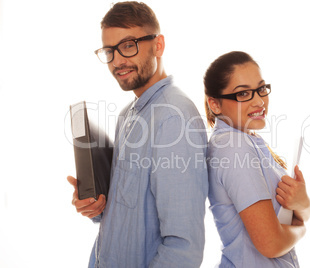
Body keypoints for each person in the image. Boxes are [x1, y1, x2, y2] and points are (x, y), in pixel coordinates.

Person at [67, 2, 208, 267]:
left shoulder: (174, 119)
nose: (118, 60)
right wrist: (96, 205)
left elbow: (183, 248)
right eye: (109, 50)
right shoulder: (127, 115)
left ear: (158, 45)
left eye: (128, 45)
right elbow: (129, 212)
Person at [204, 51, 310, 267]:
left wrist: (303, 202)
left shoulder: (248, 140)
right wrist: (301, 229)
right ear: (215, 105)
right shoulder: (233, 147)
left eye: (261, 89)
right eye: (243, 94)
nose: (259, 101)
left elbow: (300, 212)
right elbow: (271, 243)